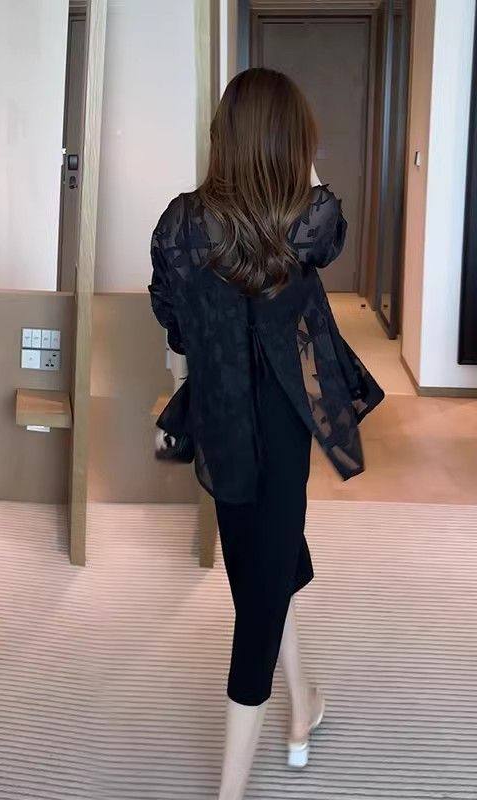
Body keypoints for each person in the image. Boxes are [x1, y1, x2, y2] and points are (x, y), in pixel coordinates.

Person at [148, 67, 384, 799]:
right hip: (270, 422)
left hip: (230, 419)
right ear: (289, 144)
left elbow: (174, 328)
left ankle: (295, 711)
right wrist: (299, 170)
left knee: (259, 569)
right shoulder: (297, 223)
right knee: (260, 585)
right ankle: (255, 761)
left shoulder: (183, 223)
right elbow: (326, 219)